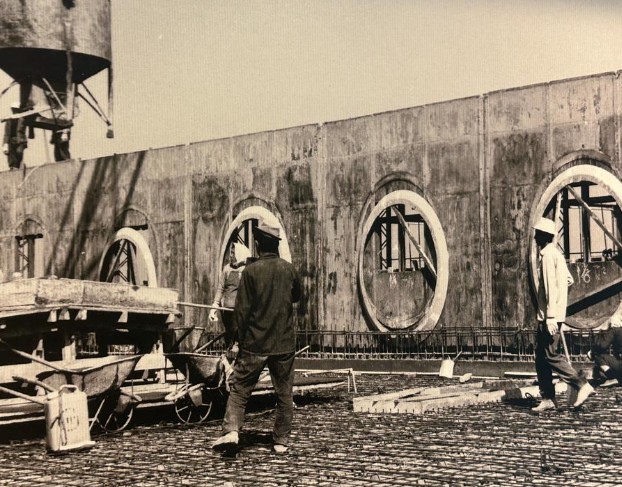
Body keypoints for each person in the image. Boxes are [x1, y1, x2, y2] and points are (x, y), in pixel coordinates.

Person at [212, 221, 301, 454]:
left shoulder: (250, 272)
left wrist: (239, 340)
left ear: (258, 244)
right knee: (284, 394)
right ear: (276, 245)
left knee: (240, 389)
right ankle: (281, 441)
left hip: (255, 343)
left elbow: (241, 312)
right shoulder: (289, 270)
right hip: (283, 343)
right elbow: (297, 296)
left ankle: (232, 431)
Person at [531, 217, 594, 412]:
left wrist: (551, 316)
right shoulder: (556, 254)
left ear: (544, 236)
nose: (535, 237)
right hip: (553, 315)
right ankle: (548, 398)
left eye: (537, 234)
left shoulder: (547, 256)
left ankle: (581, 384)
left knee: (550, 355)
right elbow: (568, 280)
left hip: (548, 318)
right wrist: (560, 305)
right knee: (541, 358)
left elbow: (550, 287)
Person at [209, 243, 251, 349]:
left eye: (233, 253)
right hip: (226, 310)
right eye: (231, 253)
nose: (231, 255)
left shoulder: (246, 269)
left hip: (239, 310)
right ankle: (229, 354)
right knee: (229, 336)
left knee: (238, 337)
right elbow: (221, 288)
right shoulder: (227, 269)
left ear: (240, 254)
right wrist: (215, 305)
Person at [588, 313, 622, 387]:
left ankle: (613, 378)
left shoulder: (615, 330)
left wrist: (592, 351)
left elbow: (602, 346)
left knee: (598, 356)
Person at [3, 101, 27, 170]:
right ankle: (13, 167)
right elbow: (7, 133)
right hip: (11, 140)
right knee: (11, 154)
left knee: (19, 153)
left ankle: (18, 166)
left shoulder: (22, 119)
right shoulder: (9, 120)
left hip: (20, 139)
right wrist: (5, 144)